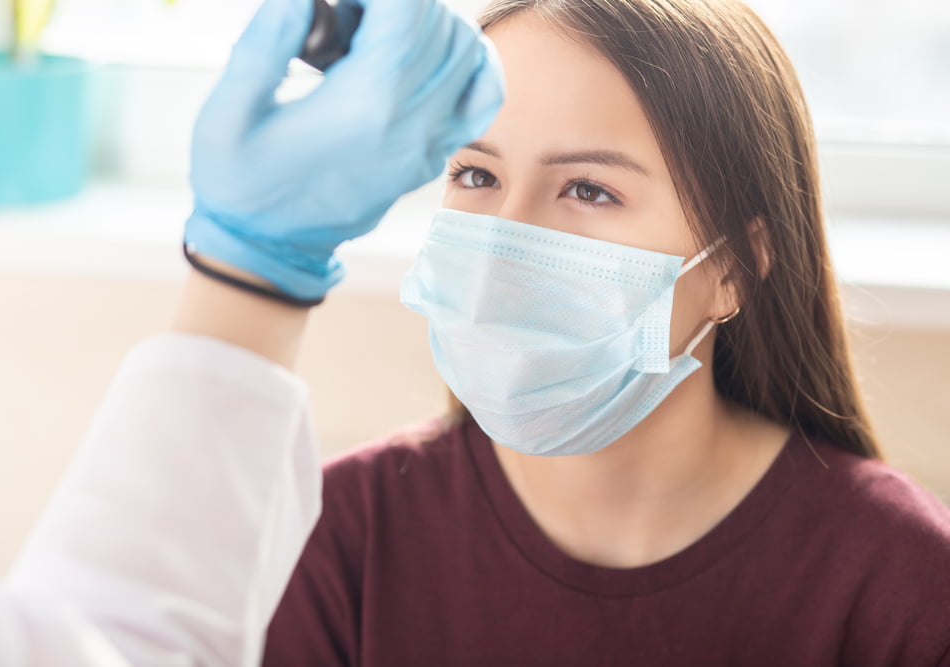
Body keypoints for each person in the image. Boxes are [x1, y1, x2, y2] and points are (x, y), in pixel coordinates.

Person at [262, 0, 950, 665]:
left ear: (733, 268)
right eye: (476, 173)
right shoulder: (338, 532)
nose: (501, 250)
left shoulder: (904, 583)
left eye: (589, 189)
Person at [0, 0, 503, 663]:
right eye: (477, 174)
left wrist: (254, 262)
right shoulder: (360, 522)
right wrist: (257, 261)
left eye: (589, 190)